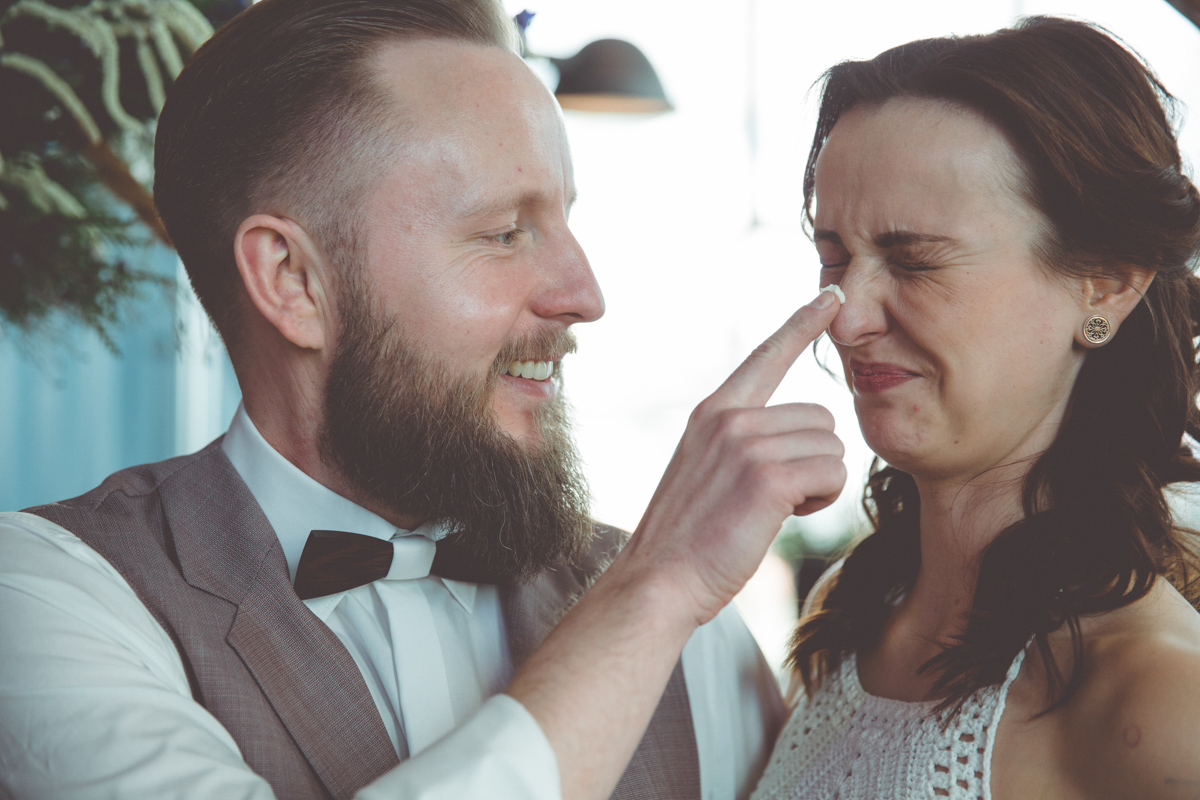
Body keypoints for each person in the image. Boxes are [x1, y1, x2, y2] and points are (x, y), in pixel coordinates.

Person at [0, 0, 849, 798]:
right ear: (293, 281)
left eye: (563, 221)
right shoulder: (50, 597)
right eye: (504, 232)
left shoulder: (695, 639)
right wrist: (652, 595)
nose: (583, 293)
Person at [750, 16, 1200, 800]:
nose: (847, 316)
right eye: (833, 258)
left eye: (914, 261)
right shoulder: (846, 615)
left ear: (1105, 286)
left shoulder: (1155, 698)